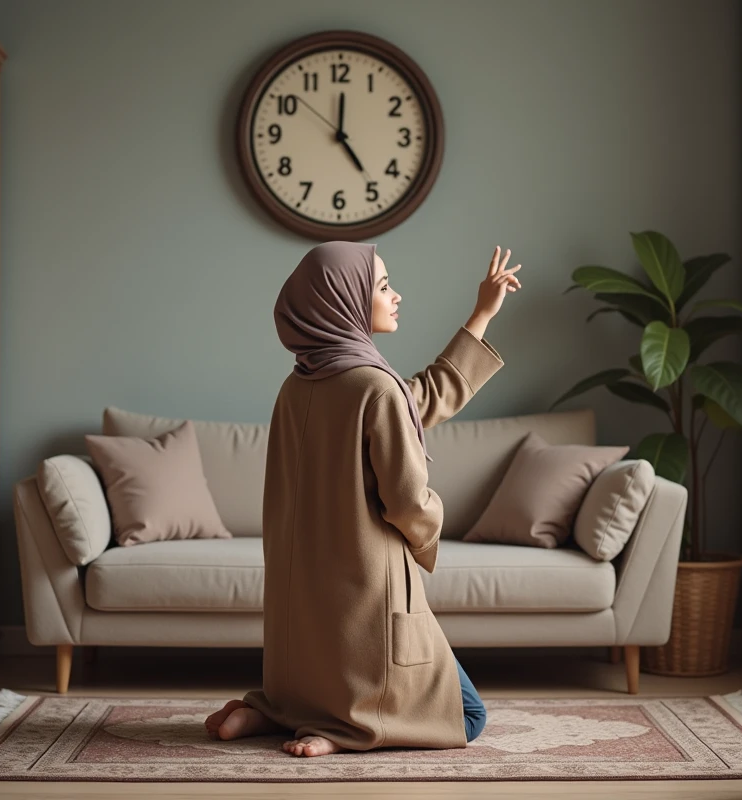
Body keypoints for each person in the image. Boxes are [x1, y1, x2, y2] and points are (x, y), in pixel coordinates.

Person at [205, 241, 523, 757]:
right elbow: (407, 500)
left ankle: (273, 713)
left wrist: (481, 314)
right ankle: (346, 733)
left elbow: (418, 399)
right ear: (344, 299)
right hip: (368, 587)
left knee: (325, 675)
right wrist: (432, 529)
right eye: (381, 285)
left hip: (309, 588)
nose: (395, 295)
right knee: (467, 716)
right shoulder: (374, 386)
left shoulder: (301, 384)